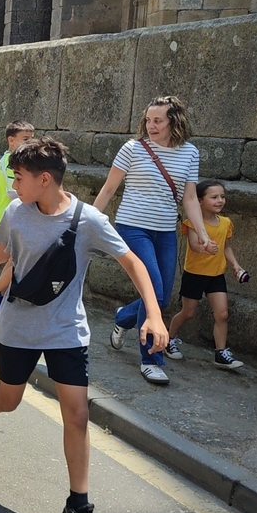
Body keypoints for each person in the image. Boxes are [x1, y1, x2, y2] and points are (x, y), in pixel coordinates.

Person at [0, 137, 169, 513]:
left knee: (78, 415)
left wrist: (154, 315)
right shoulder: (16, 212)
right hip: (19, 328)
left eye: (20, 177)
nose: (14, 186)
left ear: (44, 179)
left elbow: (133, 264)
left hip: (67, 330)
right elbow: (0, 251)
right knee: (8, 400)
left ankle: (79, 507)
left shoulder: (89, 221)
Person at [93, 95, 211, 385]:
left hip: (166, 230)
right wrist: (89, 223)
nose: (151, 125)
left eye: (157, 120)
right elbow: (109, 189)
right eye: (148, 120)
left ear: (174, 121)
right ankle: (151, 359)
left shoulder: (190, 153)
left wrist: (203, 233)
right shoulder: (132, 148)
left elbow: (189, 199)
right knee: (153, 292)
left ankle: (124, 317)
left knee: (161, 295)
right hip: (133, 227)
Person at [163, 180, 247, 369]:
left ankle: (221, 353)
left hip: (216, 275)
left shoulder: (226, 223)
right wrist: (205, 248)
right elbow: (193, 244)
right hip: (195, 274)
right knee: (188, 312)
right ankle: (169, 338)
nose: (220, 201)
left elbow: (226, 247)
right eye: (214, 197)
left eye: (222, 197)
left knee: (222, 314)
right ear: (199, 201)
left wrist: (235, 265)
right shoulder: (193, 223)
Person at [0, 121, 36, 316]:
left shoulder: (10, 158)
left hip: (8, 214)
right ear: (11, 140)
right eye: (26, 139)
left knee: (15, 259)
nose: (31, 142)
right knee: (18, 260)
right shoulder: (12, 161)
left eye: (32, 138)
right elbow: (15, 191)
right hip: (9, 215)